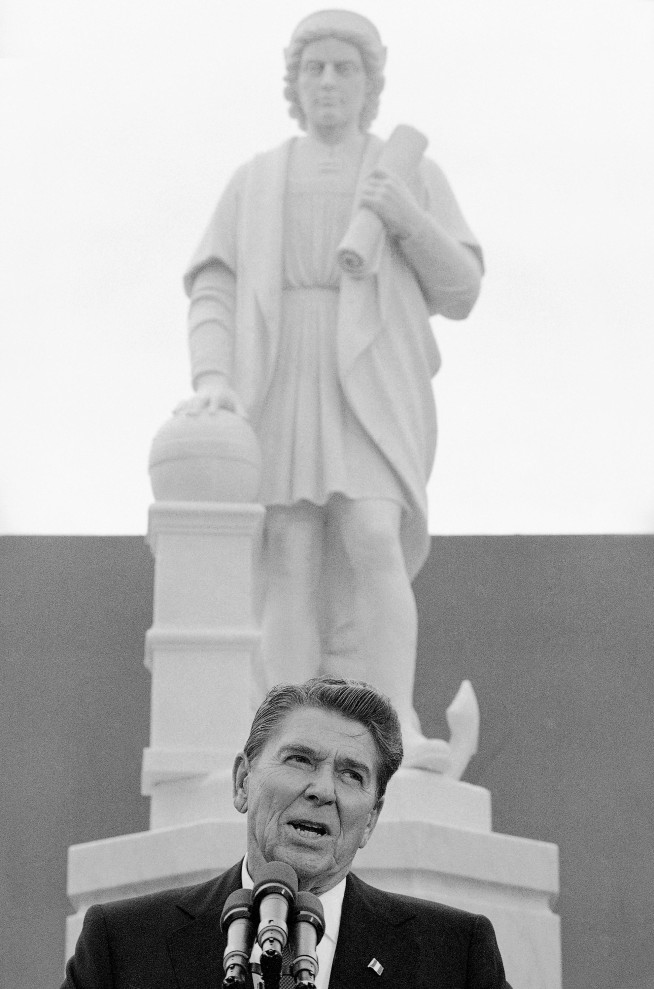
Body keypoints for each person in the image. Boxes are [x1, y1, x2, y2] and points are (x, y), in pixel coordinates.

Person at [178, 11, 484, 772]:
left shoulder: (406, 172)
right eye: (313, 68)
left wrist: (406, 217)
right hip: (282, 365)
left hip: (373, 372)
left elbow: (463, 287)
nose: (327, 82)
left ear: (369, 85)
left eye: (344, 68)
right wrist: (214, 375)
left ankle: (391, 724)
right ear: (294, 83)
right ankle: (287, 732)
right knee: (289, 547)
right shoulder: (257, 179)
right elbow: (213, 282)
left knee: (373, 534)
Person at [62, 676, 511, 988]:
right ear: (242, 783)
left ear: (371, 819)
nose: (323, 791)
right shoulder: (123, 945)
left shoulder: (454, 955)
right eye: (300, 760)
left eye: (352, 774)